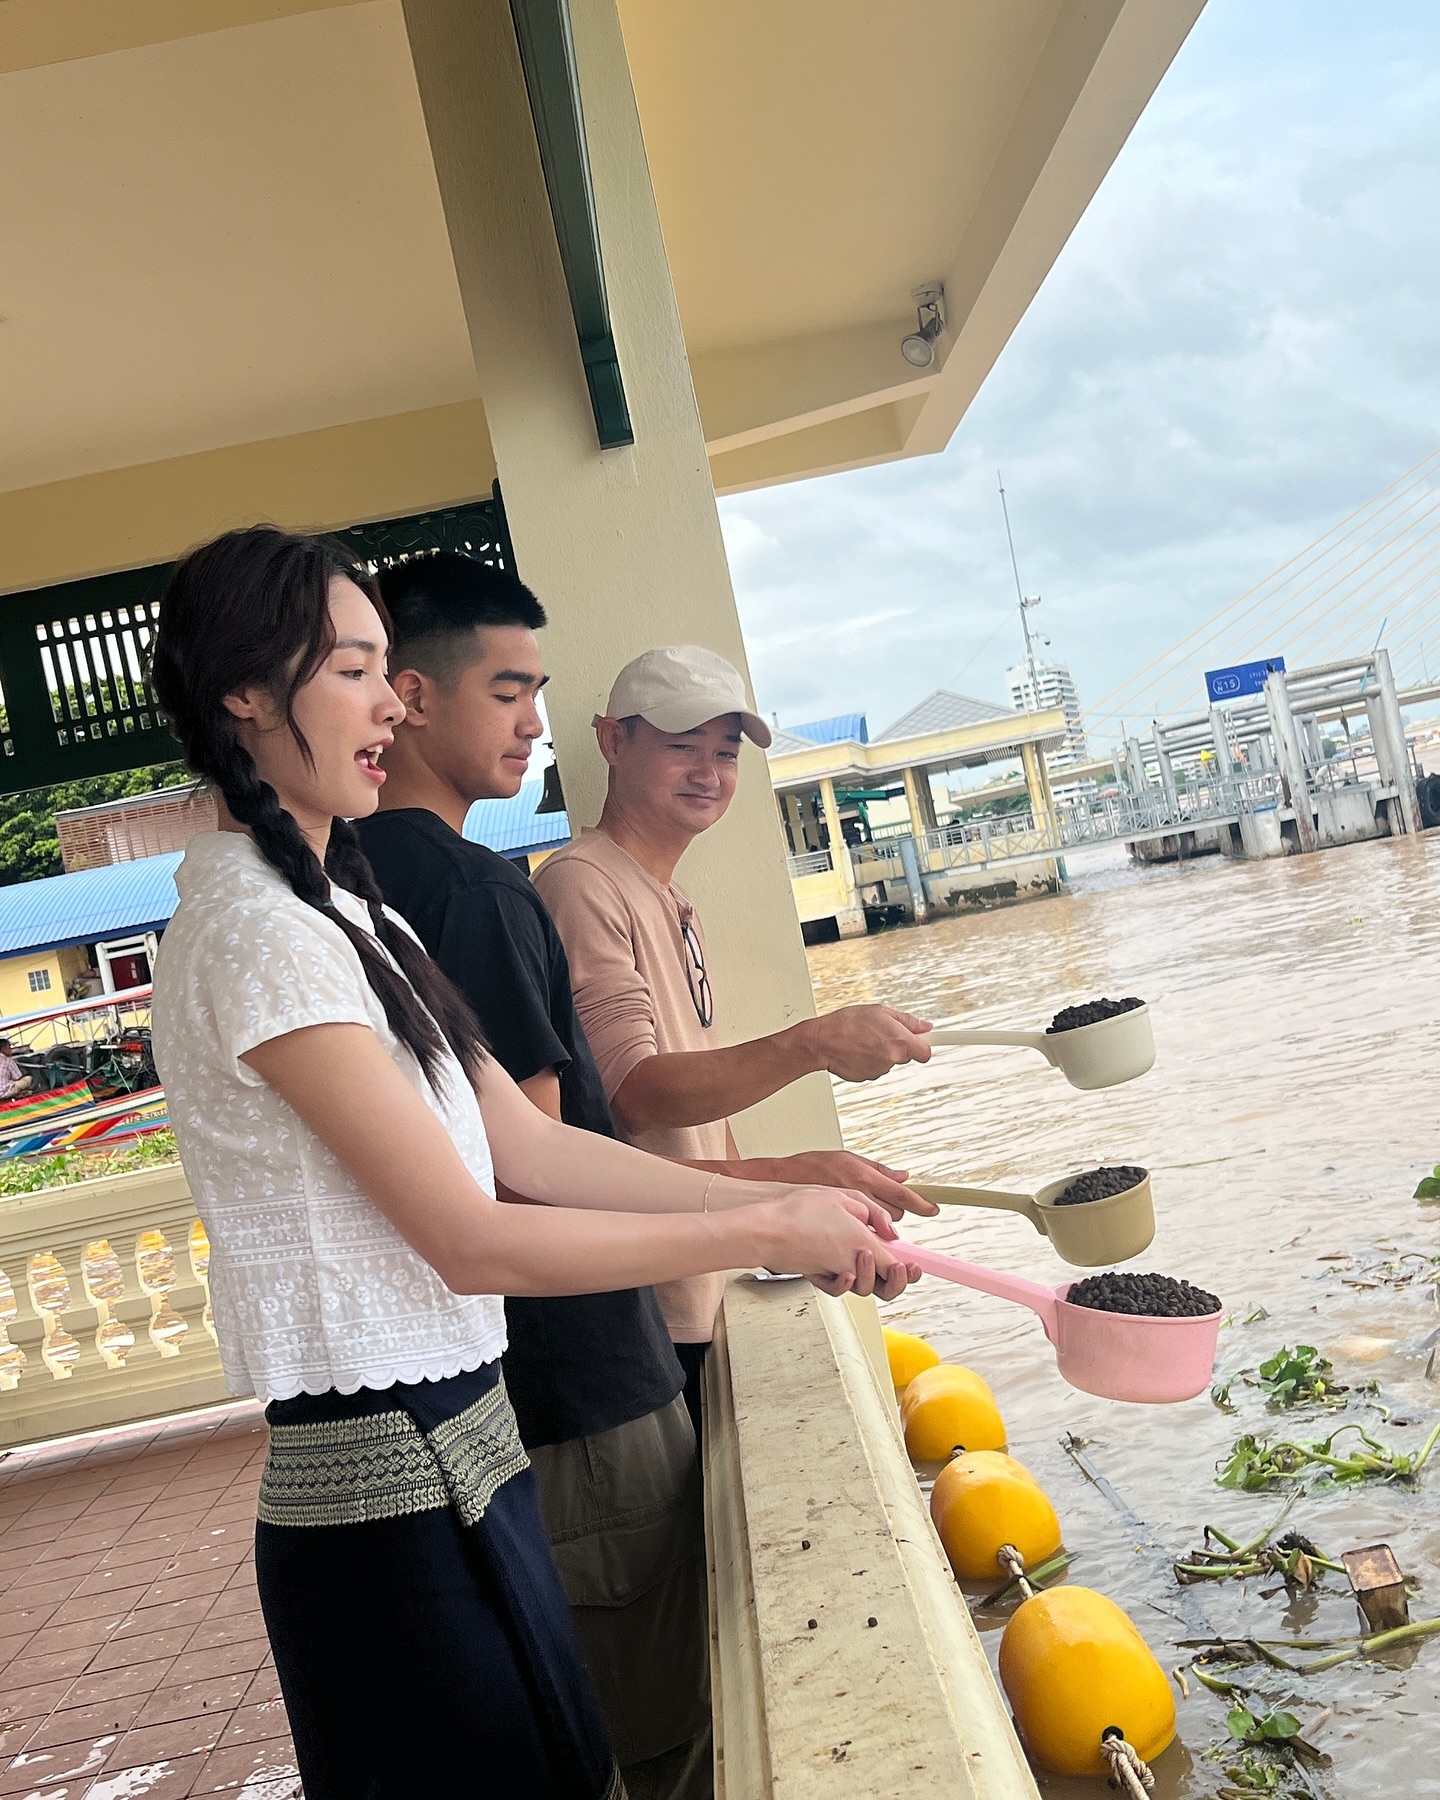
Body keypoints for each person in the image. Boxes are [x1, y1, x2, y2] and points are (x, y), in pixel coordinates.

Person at [147, 527, 913, 1800]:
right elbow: (473, 1235)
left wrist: (784, 1195)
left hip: (473, 1458)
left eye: (389, 667)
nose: (390, 700)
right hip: (382, 1502)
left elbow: (539, 1146)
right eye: (351, 670)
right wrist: (764, 1233)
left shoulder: (351, 910)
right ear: (242, 694)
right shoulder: (251, 931)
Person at [533, 646, 935, 1415]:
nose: (708, 773)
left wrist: (803, 1194)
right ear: (612, 741)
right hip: (646, 1303)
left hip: (696, 1285)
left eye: (725, 753)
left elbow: (706, 1141)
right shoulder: (583, 884)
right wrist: (811, 1045)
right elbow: (637, 1098)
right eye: (682, 747)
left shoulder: (666, 894)